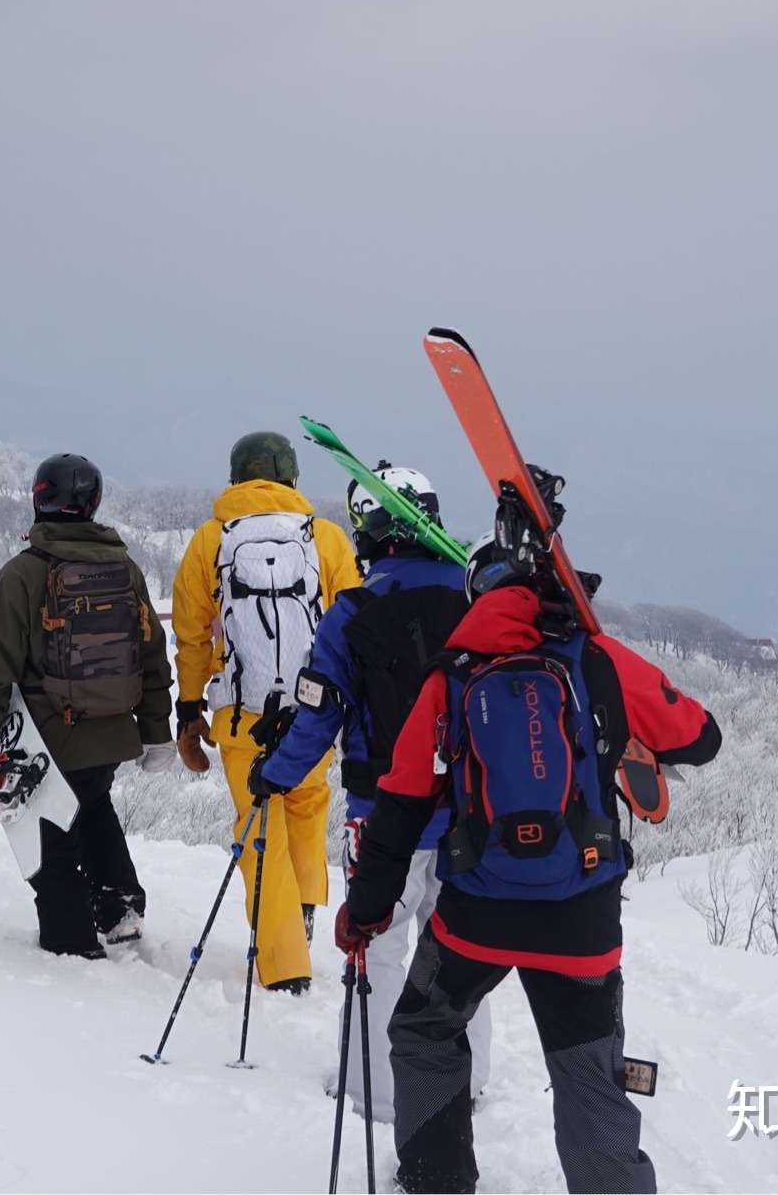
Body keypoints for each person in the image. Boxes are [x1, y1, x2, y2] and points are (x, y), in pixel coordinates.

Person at [336, 486, 723, 1194]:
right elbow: (702, 738)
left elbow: (398, 806)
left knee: (424, 1031)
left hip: (476, 915)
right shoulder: (597, 658)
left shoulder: (452, 675)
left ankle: (436, 1178)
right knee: (590, 1073)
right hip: (581, 923)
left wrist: (366, 912)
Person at [246, 464, 492, 1115]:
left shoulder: (352, 614)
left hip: (382, 816)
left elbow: (319, 716)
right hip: (473, 816)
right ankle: (471, 1081)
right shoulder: (482, 604)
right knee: (462, 952)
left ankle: (378, 1092)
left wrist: (274, 774)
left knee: (380, 950)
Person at [0, 454, 177, 958]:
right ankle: (120, 906)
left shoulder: (23, 573)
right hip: (114, 729)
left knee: (49, 835)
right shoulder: (125, 567)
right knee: (94, 805)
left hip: (49, 737)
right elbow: (151, 655)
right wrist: (155, 731)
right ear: (94, 503)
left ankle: (72, 942)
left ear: (40, 498)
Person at [170, 430, 361, 992]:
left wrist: (187, 708)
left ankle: (282, 961)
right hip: (313, 716)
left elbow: (190, 636)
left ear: (236, 478)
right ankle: (302, 908)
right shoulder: (324, 538)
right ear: (292, 478)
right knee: (305, 807)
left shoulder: (210, 540)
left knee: (259, 827)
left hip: (241, 715)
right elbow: (350, 626)